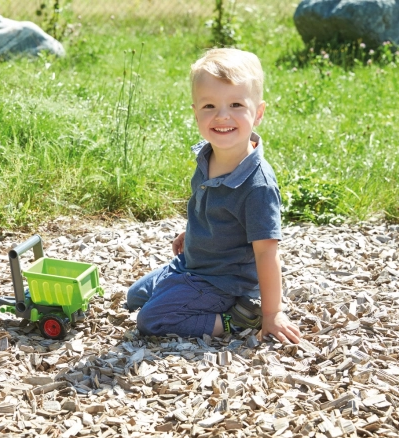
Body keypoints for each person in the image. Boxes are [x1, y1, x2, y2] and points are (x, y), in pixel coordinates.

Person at [127, 48, 301, 344]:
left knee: (150, 319)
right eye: (209, 106)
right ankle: (186, 295)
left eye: (235, 104)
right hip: (194, 262)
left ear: (258, 113)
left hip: (223, 281)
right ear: (196, 112)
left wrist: (273, 313)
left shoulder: (257, 185)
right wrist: (194, 231)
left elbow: (267, 252)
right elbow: (210, 205)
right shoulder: (208, 155)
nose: (222, 116)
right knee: (135, 296)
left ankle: (238, 317)